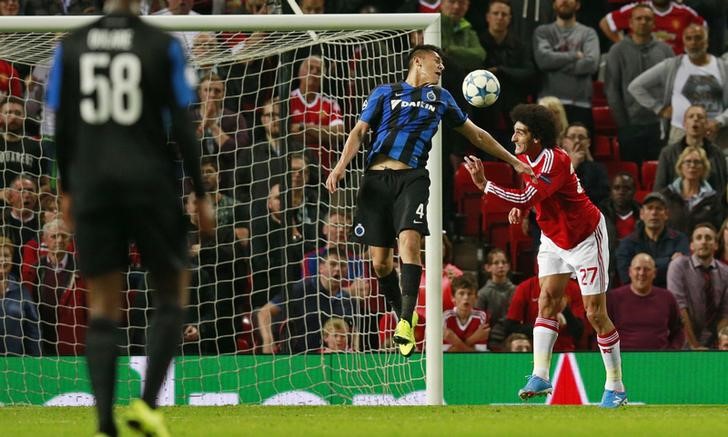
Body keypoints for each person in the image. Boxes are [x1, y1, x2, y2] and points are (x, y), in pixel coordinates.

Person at [45, 0, 213, 434]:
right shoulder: (161, 43)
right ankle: (145, 405)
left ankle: (104, 422)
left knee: (102, 305)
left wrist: (66, 187)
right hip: (149, 183)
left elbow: (62, 125)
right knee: (173, 289)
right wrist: (201, 190)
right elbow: (181, 122)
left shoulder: (72, 47)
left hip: (94, 185)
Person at [325, 44, 532, 358]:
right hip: (376, 180)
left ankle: (406, 321)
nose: (441, 68)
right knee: (380, 264)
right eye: (436, 62)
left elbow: (476, 135)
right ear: (417, 61)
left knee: (409, 240)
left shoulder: (441, 98)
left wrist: (513, 162)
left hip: (413, 178)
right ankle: (402, 312)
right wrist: (341, 165)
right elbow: (358, 131)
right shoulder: (384, 92)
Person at [463, 103, 626, 407]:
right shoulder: (525, 158)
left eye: (519, 132)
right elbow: (529, 197)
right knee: (547, 300)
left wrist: (486, 186)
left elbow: (529, 193)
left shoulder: (556, 160)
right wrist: (520, 207)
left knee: (594, 313)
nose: (513, 138)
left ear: (536, 136)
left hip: (585, 237)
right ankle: (540, 374)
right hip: (552, 237)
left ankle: (615, 386)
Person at [628, 24, 728, 148]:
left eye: (698, 38)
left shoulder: (723, 67)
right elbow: (635, 86)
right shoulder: (672, 66)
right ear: (684, 42)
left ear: (707, 41)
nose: (693, 43)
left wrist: (720, 121)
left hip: (717, 135)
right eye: (689, 38)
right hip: (680, 134)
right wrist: (659, 108)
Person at [604, 3, 674, 164]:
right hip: (630, 125)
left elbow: (672, 87)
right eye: (639, 18)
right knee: (631, 172)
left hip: (659, 125)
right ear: (630, 23)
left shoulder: (665, 51)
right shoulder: (617, 50)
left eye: (648, 19)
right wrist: (623, 124)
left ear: (654, 23)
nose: (643, 22)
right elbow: (612, 89)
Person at [257, 251, 357, 354]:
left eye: (343, 265)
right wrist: (268, 340)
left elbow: (354, 330)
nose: (338, 269)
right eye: (333, 264)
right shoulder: (300, 289)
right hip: (299, 357)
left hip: (334, 359)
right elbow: (264, 312)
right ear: (321, 268)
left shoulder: (347, 299)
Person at [476, 0, 537, 146]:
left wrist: (500, 71)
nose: (499, 17)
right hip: (484, 111)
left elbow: (529, 73)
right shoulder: (477, 42)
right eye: (495, 13)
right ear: (487, 17)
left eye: (504, 14)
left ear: (510, 18)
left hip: (513, 109)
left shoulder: (520, 45)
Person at [532, 0, 600, 131]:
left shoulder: (588, 33)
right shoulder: (542, 32)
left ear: (578, 4)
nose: (564, 1)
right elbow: (543, 61)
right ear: (553, 4)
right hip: (548, 104)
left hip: (580, 105)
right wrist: (574, 55)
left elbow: (591, 64)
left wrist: (556, 66)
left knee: (578, 150)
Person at [667, 223, 728, 349]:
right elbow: (680, 309)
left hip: (714, 343)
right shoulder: (678, 266)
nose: (703, 241)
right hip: (684, 342)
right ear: (692, 245)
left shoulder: (725, 272)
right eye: (699, 238)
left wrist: (718, 344)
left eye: (708, 238)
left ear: (716, 245)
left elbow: (725, 312)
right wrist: (695, 346)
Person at [607, 253, 684, 350]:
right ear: (630, 272)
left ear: (654, 273)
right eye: (637, 269)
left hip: (660, 358)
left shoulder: (667, 297)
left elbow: (678, 330)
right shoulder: (613, 298)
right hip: (623, 359)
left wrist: (672, 352)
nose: (642, 273)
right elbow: (602, 331)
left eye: (647, 269)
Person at [653, 105, 727, 202]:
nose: (695, 119)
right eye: (691, 116)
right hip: (676, 209)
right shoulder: (668, 153)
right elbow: (659, 189)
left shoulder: (717, 154)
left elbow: (722, 188)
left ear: (706, 124)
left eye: (700, 117)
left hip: (711, 210)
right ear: (684, 124)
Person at [615, 192, 689, 287]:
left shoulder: (679, 239)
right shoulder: (628, 242)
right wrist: (669, 260)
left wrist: (641, 269)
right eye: (650, 208)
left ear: (666, 214)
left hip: (670, 294)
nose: (654, 213)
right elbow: (626, 277)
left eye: (659, 208)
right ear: (641, 214)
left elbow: (682, 273)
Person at [599, 0, 704, 55]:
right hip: (640, 63)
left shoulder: (685, 13)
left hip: (674, 65)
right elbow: (605, 23)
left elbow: (703, 30)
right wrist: (623, 45)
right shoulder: (638, 9)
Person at [660, 146, 723, 233]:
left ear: (704, 168)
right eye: (688, 162)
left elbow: (717, 229)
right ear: (681, 166)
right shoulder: (666, 195)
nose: (692, 165)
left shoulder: (714, 199)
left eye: (697, 162)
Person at [0, 236, 40, 356]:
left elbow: (33, 330)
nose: (2, 260)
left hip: (15, 365)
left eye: (6, 256)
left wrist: (36, 360)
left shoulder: (22, 291)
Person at [599, 173, 641, 285]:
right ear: (611, 191)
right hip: (608, 268)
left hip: (636, 267)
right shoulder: (599, 214)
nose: (621, 192)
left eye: (627, 188)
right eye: (617, 188)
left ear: (634, 191)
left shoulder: (642, 214)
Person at [0, 97, 46, 197]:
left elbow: (45, 183)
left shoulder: (35, 147)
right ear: (1, 116)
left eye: (17, 113)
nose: (13, 117)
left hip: (26, 208)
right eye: (8, 112)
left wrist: (34, 194)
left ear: (24, 116)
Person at [476, 247, 516, 351]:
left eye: (504, 262)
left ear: (508, 266)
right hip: (492, 339)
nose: (501, 266)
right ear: (488, 267)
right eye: (496, 263)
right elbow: (480, 322)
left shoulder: (517, 291)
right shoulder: (482, 294)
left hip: (513, 336)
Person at [561, 122, 609, 206]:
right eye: (572, 137)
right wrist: (572, 166)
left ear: (588, 143)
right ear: (564, 142)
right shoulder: (552, 164)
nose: (577, 141)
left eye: (581, 137)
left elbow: (602, 197)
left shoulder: (598, 169)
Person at [443, 274, 490, 352]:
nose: (466, 297)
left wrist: (455, 341)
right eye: (461, 293)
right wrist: (474, 338)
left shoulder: (482, 316)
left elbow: (480, 356)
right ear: (453, 298)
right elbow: (445, 356)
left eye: (470, 293)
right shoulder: (445, 317)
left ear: (476, 298)